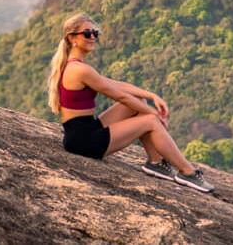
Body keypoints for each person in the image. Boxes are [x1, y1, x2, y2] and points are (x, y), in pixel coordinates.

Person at [47, 13, 214, 193]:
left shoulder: (77, 66)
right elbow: (121, 96)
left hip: (84, 131)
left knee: (139, 103)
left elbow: (114, 84)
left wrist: (151, 96)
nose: (93, 37)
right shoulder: (80, 69)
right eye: (87, 33)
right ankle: (188, 172)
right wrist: (155, 115)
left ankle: (156, 163)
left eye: (95, 33)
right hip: (84, 141)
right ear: (72, 38)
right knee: (149, 121)